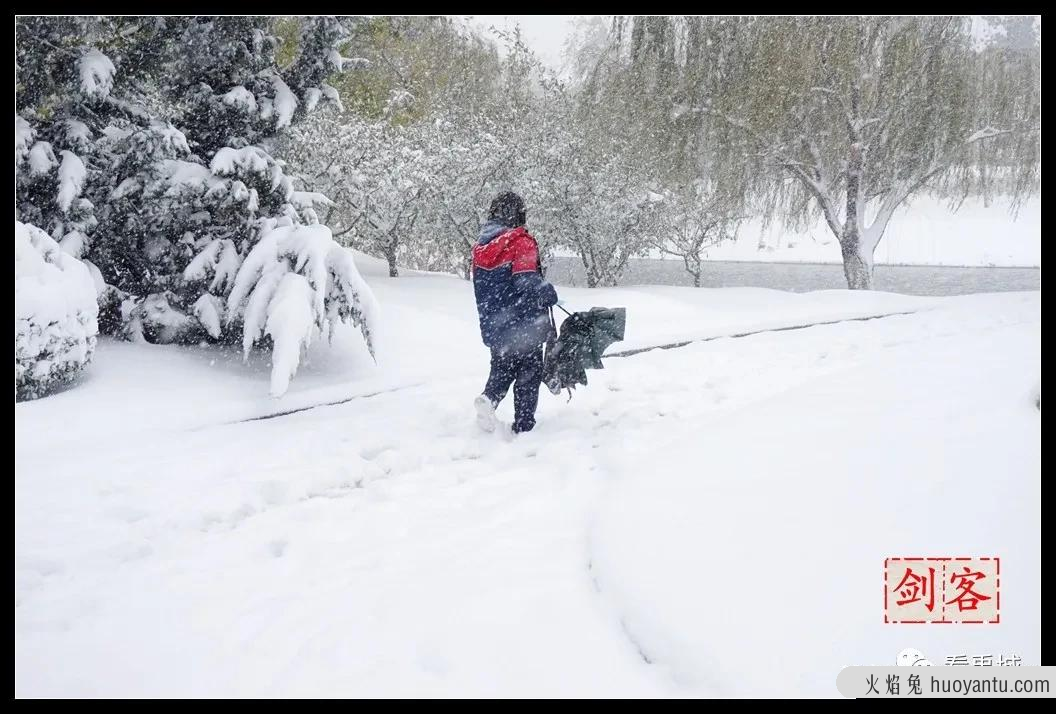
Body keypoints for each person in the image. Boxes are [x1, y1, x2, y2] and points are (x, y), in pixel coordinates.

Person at [471, 191, 559, 434]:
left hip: (495, 322)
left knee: (502, 367)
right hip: (524, 324)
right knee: (528, 375)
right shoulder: (520, 242)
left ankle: (489, 399)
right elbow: (525, 281)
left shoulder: (481, 247)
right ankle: (524, 425)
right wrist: (548, 292)